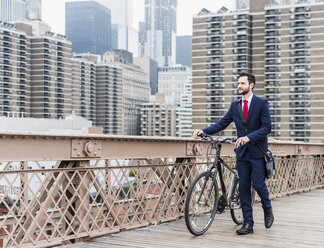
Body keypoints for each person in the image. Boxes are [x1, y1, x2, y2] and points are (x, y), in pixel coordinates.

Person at [193, 72, 274, 235]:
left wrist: (248, 137)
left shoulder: (261, 103)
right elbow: (222, 123)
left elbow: (267, 128)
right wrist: (204, 131)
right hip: (242, 154)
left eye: (242, 83)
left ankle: (267, 209)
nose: (239, 86)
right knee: (243, 187)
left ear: (251, 85)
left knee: (258, 185)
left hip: (258, 152)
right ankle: (248, 224)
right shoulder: (235, 106)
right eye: (238, 83)